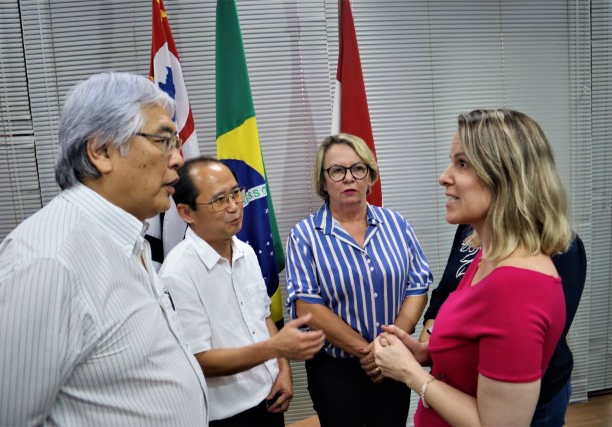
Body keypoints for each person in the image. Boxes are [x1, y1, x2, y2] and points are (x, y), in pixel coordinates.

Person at [0, 72, 208, 426]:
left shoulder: (128, 237)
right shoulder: (47, 262)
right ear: (100, 152)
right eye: (163, 140)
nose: (178, 158)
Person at [374, 109, 572, 426]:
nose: (444, 177)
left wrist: (410, 373)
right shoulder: (487, 255)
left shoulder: (517, 286)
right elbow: (474, 341)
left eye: (462, 163)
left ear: (505, 176)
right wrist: (425, 353)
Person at [159, 157, 325, 426]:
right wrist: (275, 348)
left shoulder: (245, 251)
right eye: (219, 200)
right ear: (187, 213)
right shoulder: (178, 273)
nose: (234, 206)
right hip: (226, 415)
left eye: (236, 193)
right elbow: (200, 360)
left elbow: (263, 318)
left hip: (269, 397)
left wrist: (283, 368)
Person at [286, 133, 433, 426]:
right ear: (323, 181)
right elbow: (307, 306)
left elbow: (418, 285)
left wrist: (390, 343)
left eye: (358, 168)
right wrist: (367, 352)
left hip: (394, 362)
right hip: (336, 373)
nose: (349, 178)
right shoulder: (304, 235)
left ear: (370, 175)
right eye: (337, 171)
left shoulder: (397, 224)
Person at [419, 223, 586, 426]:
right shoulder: (474, 233)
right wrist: (432, 344)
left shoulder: (557, 248)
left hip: (533, 396)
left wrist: (412, 372)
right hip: (467, 392)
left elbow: (543, 333)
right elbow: (447, 292)